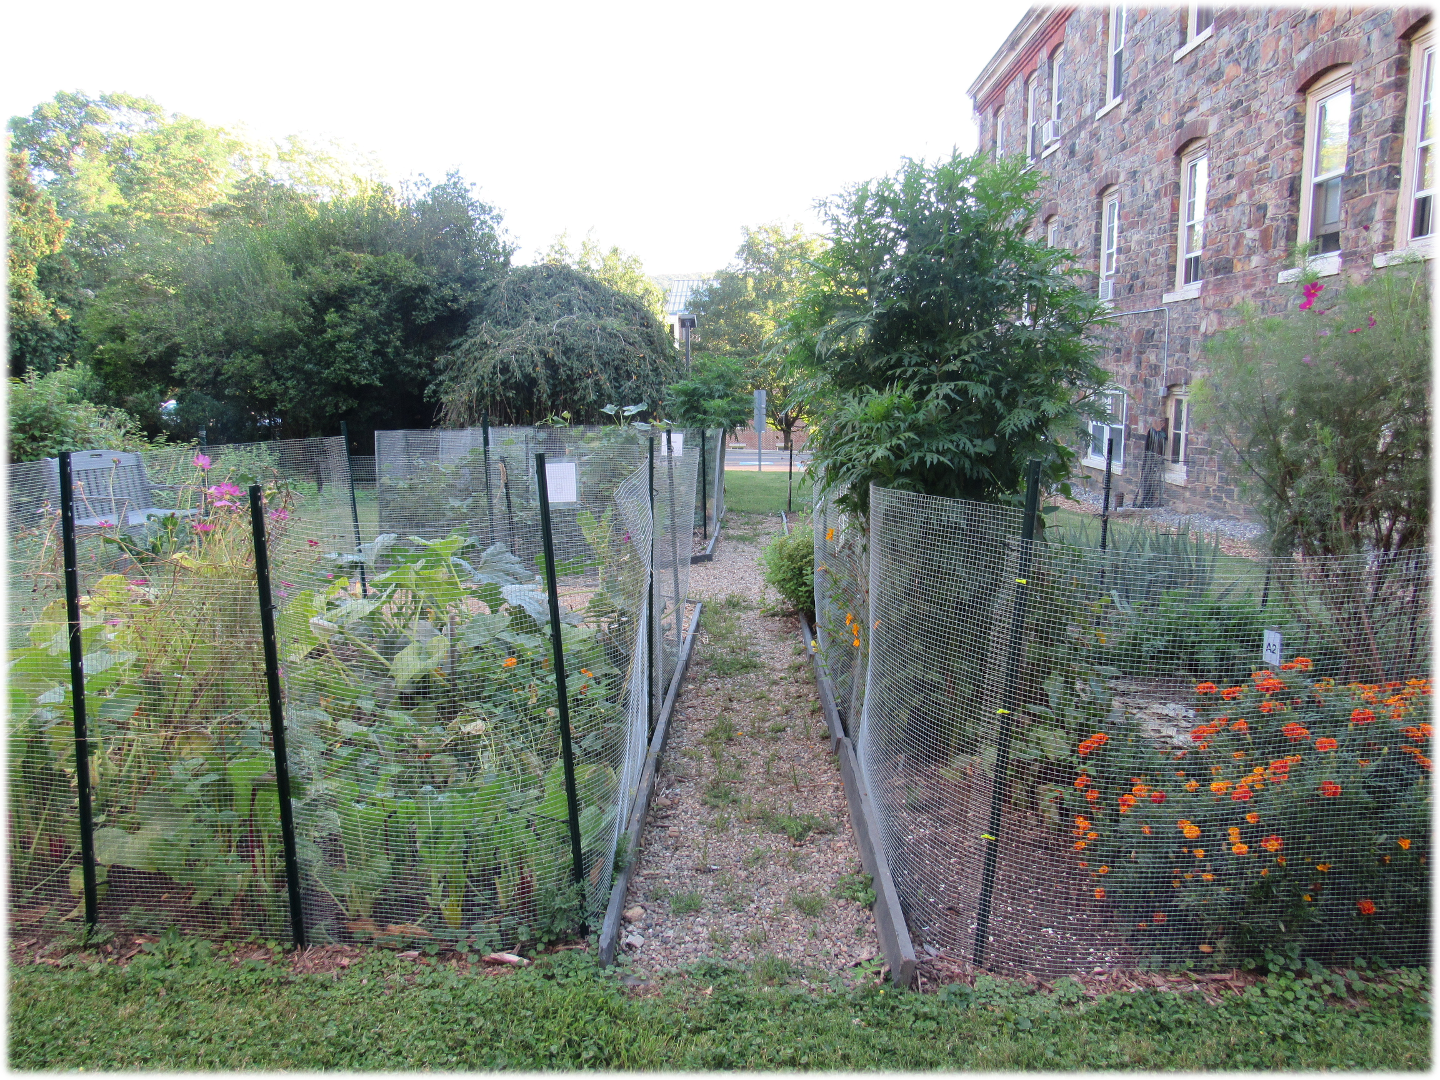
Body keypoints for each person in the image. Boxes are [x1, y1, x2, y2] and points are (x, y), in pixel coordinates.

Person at [1138, 417, 1167, 508]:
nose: (1161, 425)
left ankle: (1150, 500)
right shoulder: (1151, 432)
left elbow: (1163, 441)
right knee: (1147, 479)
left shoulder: (1162, 434)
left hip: (1156, 461)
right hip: (1150, 462)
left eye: (1163, 423)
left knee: (1154, 481)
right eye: (1160, 423)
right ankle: (1145, 500)